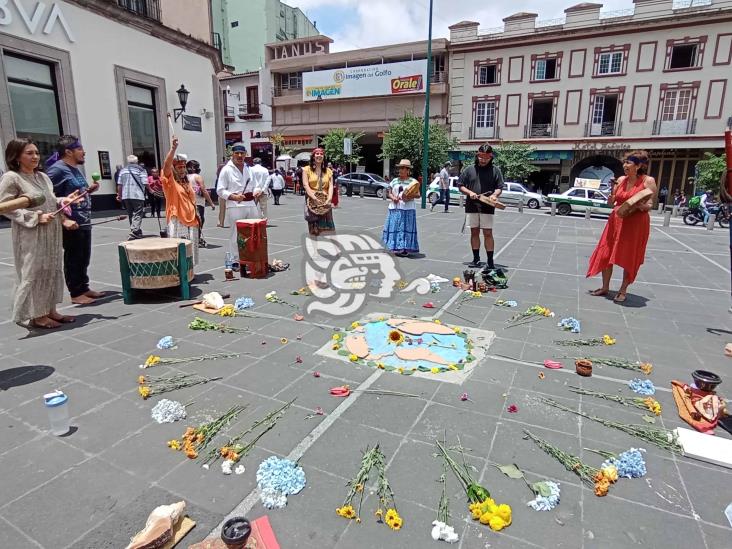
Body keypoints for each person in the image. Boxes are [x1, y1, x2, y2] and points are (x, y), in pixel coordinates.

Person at [0, 138, 79, 328]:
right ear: (16, 156)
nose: (35, 156)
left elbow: (49, 200)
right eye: (29, 153)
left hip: (51, 230)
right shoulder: (12, 177)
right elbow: (5, 207)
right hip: (30, 232)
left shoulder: (43, 177)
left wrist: (64, 200)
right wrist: (35, 218)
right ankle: (37, 315)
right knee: (34, 271)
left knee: (51, 268)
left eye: (36, 152)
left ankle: (50, 310)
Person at [587, 150, 657, 303]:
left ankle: (623, 289)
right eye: (624, 162)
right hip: (616, 220)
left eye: (628, 163)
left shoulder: (648, 181)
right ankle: (605, 287)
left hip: (636, 222)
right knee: (606, 252)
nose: (624, 165)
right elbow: (611, 203)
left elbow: (651, 205)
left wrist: (640, 205)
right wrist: (611, 194)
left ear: (638, 166)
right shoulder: (620, 179)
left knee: (629, 256)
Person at [46, 135, 103, 305]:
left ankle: (84, 287)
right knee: (74, 257)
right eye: (79, 149)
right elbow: (49, 198)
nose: (83, 152)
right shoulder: (57, 170)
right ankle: (76, 293)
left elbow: (75, 193)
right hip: (71, 223)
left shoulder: (74, 169)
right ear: (68, 152)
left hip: (84, 221)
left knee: (84, 256)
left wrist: (89, 190)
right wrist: (63, 219)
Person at [458, 143, 504, 270]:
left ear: (491, 157)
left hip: (487, 205)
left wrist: (495, 195)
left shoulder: (495, 170)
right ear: (477, 156)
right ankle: (476, 259)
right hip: (472, 205)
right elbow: (460, 185)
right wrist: (470, 192)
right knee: (474, 231)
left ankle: (490, 261)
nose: (483, 160)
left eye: (486, 158)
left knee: (488, 233)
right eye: (481, 157)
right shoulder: (469, 169)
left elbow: (499, 187)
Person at [216, 143, 257, 270]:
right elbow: (220, 190)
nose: (240, 156)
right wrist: (233, 197)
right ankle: (235, 260)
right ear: (232, 154)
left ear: (245, 154)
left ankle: (251, 258)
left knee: (254, 232)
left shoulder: (248, 168)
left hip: (250, 204)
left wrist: (257, 190)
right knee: (236, 234)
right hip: (235, 206)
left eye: (242, 153)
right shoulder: (226, 169)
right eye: (237, 153)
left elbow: (256, 185)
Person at [160, 138, 201, 264]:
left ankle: (189, 272)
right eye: (179, 167)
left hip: (192, 219)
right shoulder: (169, 182)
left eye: (184, 167)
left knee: (191, 249)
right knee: (178, 249)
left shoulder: (186, 182)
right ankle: (179, 273)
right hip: (177, 218)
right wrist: (173, 149)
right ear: (174, 169)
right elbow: (166, 165)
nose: (183, 169)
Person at [382, 159, 419, 257]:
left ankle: (404, 248)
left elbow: (418, 195)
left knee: (405, 228)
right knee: (394, 227)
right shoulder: (394, 180)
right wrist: (393, 198)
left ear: (408, 170)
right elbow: (389, 192)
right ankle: (393, 246)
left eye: (403, 168)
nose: (401, 170)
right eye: (400, 168)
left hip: (407, 208)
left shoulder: (413, 182)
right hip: (395, 207)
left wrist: (408, 197)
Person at [302, 147, 335, 236]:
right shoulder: (306, 169)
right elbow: (305, 185)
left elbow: (331, 186)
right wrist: (314, 198)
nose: (319, 156)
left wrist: (329, 199)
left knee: (327, 230)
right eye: (317, 154)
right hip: (312, 202)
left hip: (325, 201)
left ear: (323, 157)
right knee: (314, 229)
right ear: (313, 156)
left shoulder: (329, 171)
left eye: (321, 154)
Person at [116, 155, 148, 240]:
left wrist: (119, 195)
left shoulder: (122, 171)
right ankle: (135, 231)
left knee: (131, 213)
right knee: (138, 212)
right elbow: (145, 182)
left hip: (126, 195)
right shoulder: (141, 170)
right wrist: (151, 190)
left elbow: (119, 184)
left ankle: (135, 231)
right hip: (137, 194)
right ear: (136, 161)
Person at [187, 159, 215, 247]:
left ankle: (192, 237)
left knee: (191, 220)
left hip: (188, 202)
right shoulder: (197, 177)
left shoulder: (185, 177)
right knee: (200, 220)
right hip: (198, 202)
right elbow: (204, 190)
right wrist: (211, 203)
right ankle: (196, 239)